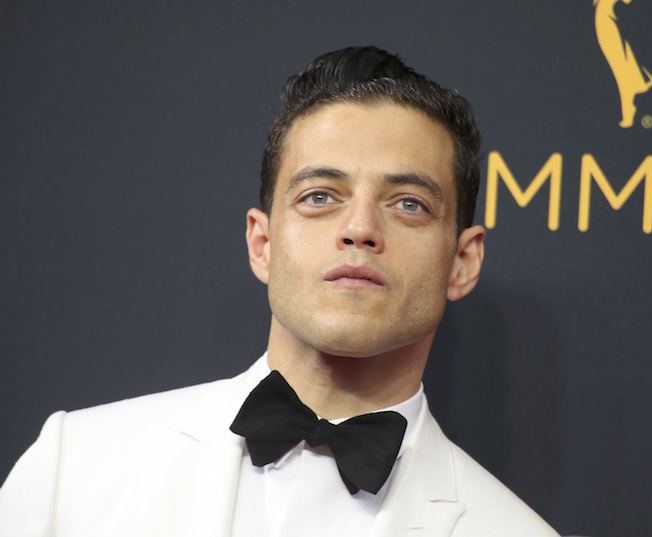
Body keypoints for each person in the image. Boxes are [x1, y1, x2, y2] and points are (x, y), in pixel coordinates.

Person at [0, 46, 559, 536]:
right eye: (320, 196)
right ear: (262, 243)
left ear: (463, 261)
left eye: (408, 204)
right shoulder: (74, 466)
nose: (360, 228)